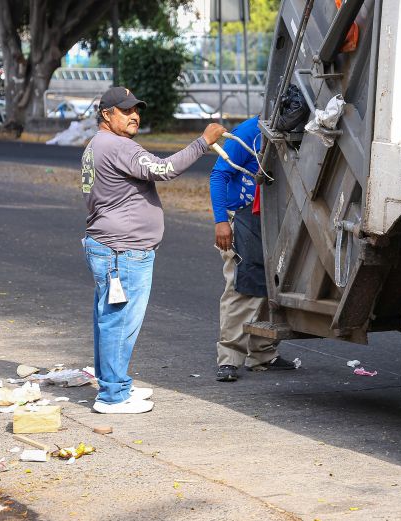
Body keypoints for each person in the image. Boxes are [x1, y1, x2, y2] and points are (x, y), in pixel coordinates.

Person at [82, 86, 225, 413]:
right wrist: (204, 142)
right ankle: (112, 396)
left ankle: (114, 385)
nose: (135, 116)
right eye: (126, 110)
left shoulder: (97, 144)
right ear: (107, 114)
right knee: (119, 323)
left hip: (111, 247)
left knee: (110, 320)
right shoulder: (118, 146)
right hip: (122, 251)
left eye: (136, 109)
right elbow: (164, 169)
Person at [210, 116, 297, 382]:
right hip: (241, 218)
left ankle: (262, 355)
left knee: (269, 287)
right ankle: (229, 360)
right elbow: (219, 174)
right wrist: (221, 221)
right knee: (240, 289)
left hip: (271, 218)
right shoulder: (250, 131)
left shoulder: (292, 130)